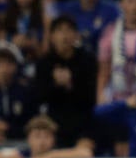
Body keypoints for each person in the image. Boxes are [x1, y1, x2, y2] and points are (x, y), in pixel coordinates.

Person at [33, 15, 99, 150]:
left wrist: (70, 83)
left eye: (69, 30)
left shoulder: (87, 60)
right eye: (60, 31)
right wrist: (56, 85)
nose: (65, 35)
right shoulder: (44, 63)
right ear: (51, 36)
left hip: (83, 123)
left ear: (76, 35)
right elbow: (38, 96)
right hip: (53, 125)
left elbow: (92, 96)